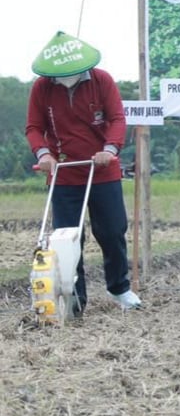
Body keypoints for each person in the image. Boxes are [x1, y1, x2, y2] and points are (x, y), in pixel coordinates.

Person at [25, 31, 142, 314]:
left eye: (71, 75)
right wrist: (44, 155)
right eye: (59, 76)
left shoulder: (102, 80)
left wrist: (110, 150)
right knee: (67, 237)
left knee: (113, 231)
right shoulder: (42, 87)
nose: (64, 80)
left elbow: (116, 118)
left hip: (101, 168)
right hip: (63, 173)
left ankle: (120, 288)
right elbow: (33, 128)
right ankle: (74, 298)